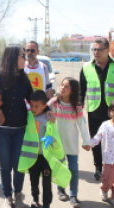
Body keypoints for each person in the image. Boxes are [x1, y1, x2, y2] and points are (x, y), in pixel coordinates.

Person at [0, 44, 55, 208]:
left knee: (19, 165)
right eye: (22, 55)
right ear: (12, 57)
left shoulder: (23, 77)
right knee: (5, 166)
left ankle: (18, 193)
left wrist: (47, 109)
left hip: (21, 130)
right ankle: (7, 196)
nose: (25, 58)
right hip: (2, 131)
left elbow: (33, 98)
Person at [80, 37, 114, 181]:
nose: (96, 52)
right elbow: (82, 90)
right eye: (94, 49)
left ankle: (113, 167)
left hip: (113, 113)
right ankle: (98, 167)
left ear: (107, 50)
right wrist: (79, 106)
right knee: (95, 141)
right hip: (94, 110)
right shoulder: (86, 67)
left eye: (99, 49)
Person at [47, 77, 91, 207]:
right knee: (60, 168)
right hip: (57, 144)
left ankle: (73, 195)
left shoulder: (76, 107)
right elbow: (44, 109)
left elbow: (82, 125)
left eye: (66, 86)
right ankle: (61, 190)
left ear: (72, 91)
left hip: (71, 144)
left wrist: (86, 140)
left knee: (73, 169)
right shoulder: (55, 103)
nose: (62, 88)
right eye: (62, 85)